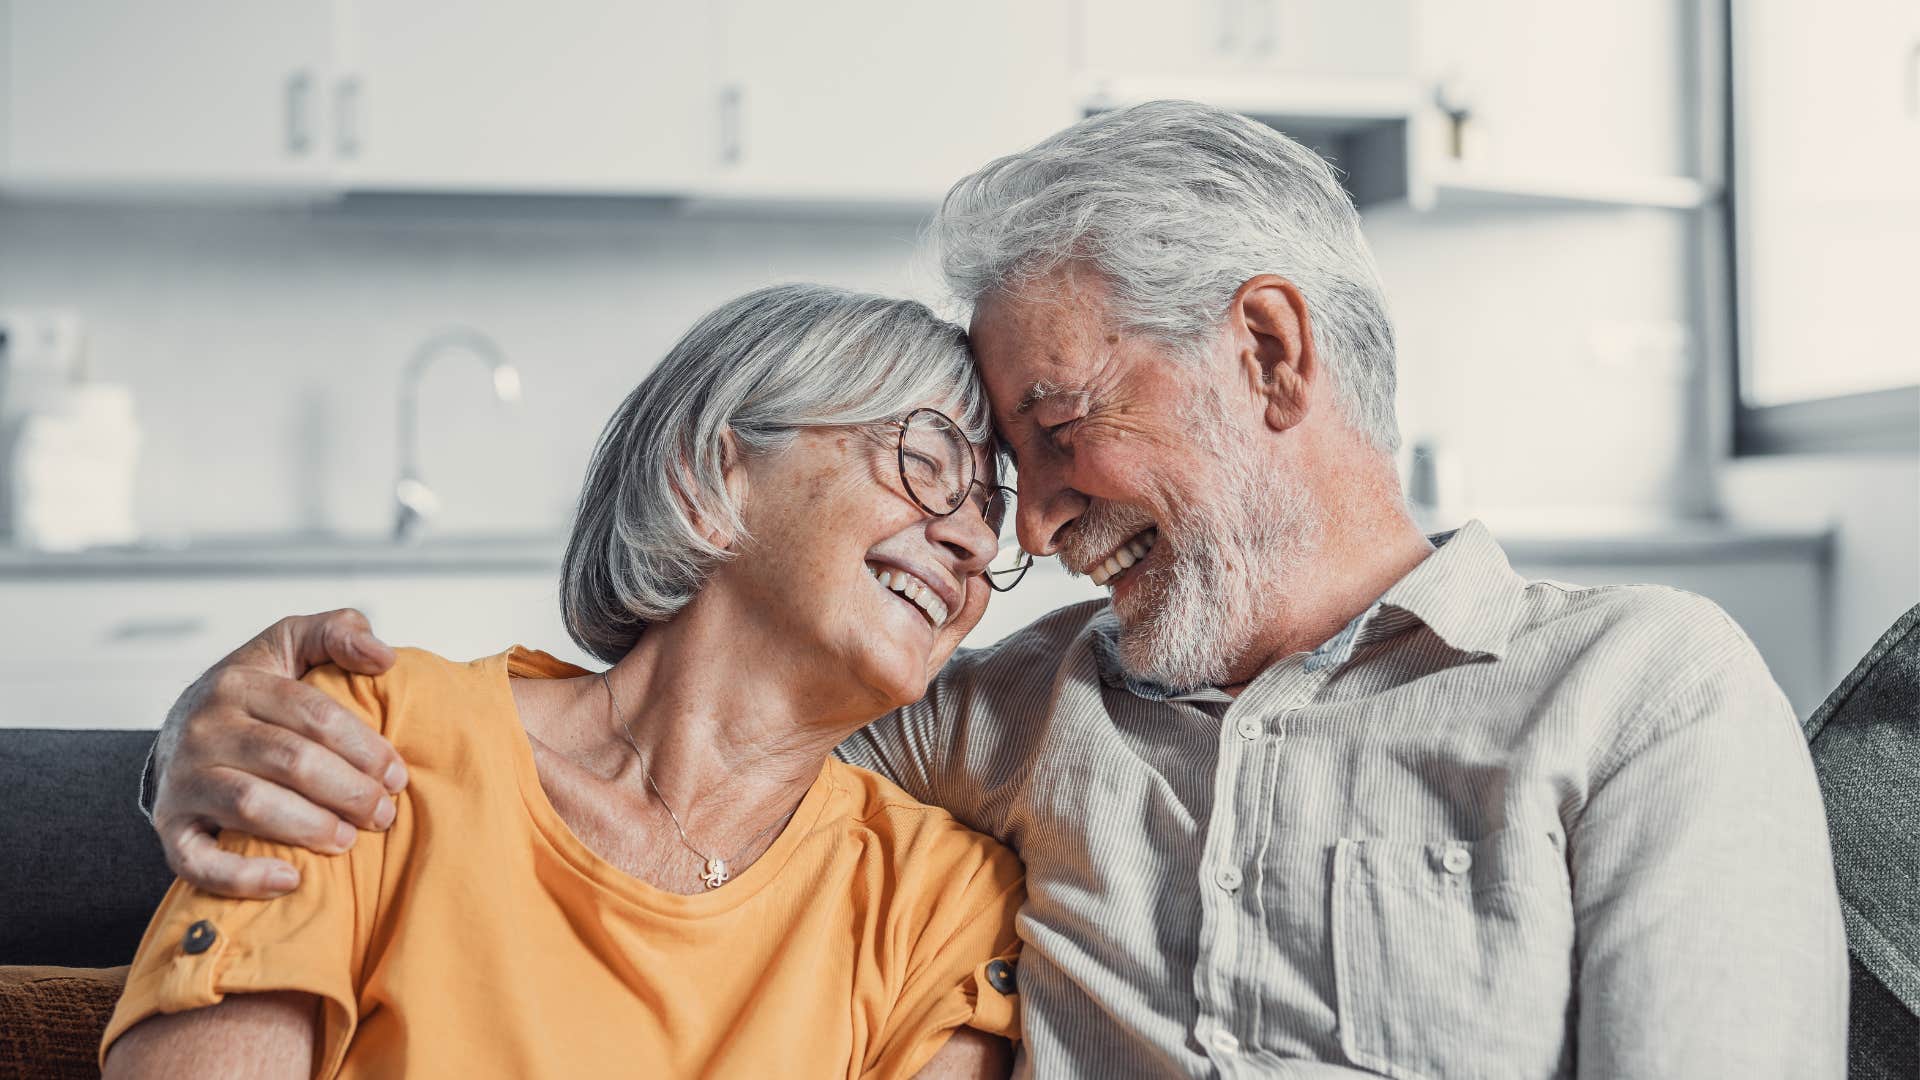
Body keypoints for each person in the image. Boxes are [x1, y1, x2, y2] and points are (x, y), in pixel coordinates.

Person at [144, 102, 1848, 1077]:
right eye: (961, 470)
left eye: (1046, 431)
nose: (1015, 531)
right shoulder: (985, 721)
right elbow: (665, 741)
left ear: (1264, 350)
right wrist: (199, 736)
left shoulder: (1641, 688)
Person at [102, 285, 1032, 1079]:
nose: (977, 542)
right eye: (927, 464)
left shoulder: (941, 900)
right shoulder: (372, 743)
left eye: (991, 513)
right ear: (712, 475)